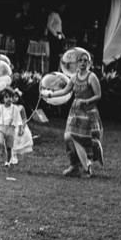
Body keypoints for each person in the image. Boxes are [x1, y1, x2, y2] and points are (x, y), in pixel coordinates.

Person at [42, 48, 104, 178]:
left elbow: (98, 95)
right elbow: (65, 91)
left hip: (88, 113)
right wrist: (49, 94)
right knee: (68, 137)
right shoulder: (74, 78)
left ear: (89, 63)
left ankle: (87, 168)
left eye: (85, 60)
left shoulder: (92, 77)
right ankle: (74, 165)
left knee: (85, 140)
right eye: (80, 60)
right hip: (75, 112)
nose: (83, 63)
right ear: (76, 63)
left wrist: (86, 101)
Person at [0, 89, 30, 168]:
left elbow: (19, 120)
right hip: (1, 127)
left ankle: (7, 162)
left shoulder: (15, 108)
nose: (9, 99)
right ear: (2, 99)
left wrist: (20, 129)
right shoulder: (0, 108)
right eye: (6, 97)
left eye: (10, 97)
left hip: (11, 129)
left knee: (9, 147)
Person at [45, 4, 67, 71]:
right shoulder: (53, 14)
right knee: (53, 54)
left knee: (57, 55)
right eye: (62, 7)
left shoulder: (58, 15)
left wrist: (62, 35)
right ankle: (52, 70)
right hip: (54, 36)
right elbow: (49, 25)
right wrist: (56, 34)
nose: (63, 9)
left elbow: (59, 27)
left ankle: (55, 70)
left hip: (58, 35)